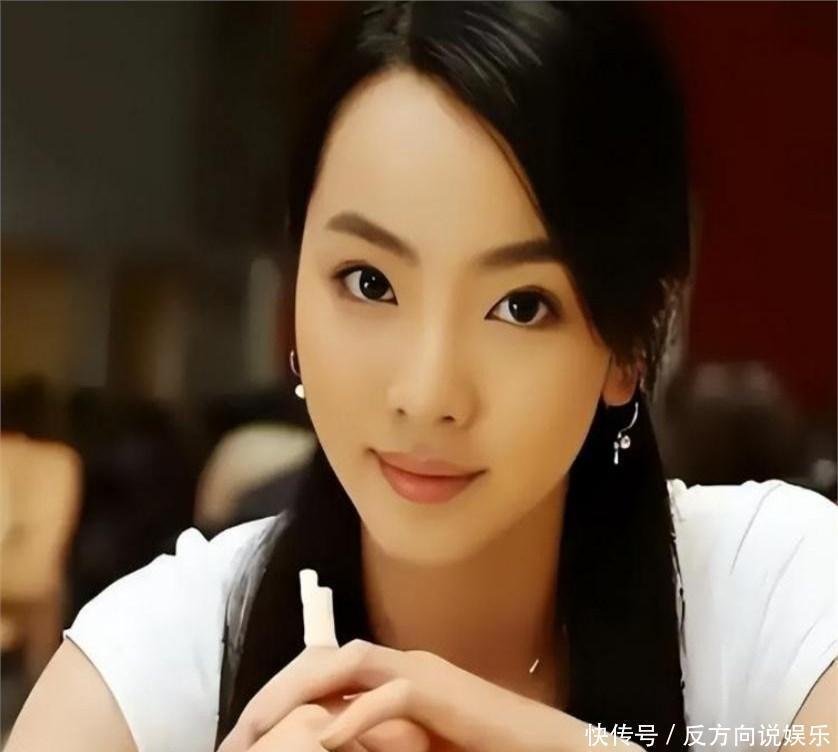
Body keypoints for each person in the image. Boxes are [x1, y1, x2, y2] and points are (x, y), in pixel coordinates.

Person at [7, 3, 836, 752]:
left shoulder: (779, 602)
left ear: (629, 348)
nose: (427, 393)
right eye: (370, 283)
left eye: (520, 306)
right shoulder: (151, 675)